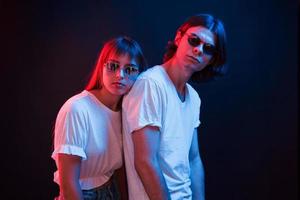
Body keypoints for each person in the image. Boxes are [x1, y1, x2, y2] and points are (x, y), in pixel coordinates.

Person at [122, 14, 227, 200]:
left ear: (211, 59)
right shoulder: (151, 84)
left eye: (208, 48)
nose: (198, 50)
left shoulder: (193, 98)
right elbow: (145, 161)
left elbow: (193, 159)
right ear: (179, 38)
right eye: (194, 40)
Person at [52, 36, 147, 200]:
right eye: (113, 66)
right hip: (81, 193)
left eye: (130, 69)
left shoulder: (128, 112)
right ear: (101, 67)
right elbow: (69, 183)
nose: (120, 75)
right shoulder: (77, 109)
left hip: (112, 191)